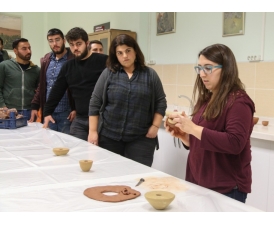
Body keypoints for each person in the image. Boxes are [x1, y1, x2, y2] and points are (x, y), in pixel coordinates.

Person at [165, 44, 255, 203]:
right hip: (199, 182)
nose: (201, 74)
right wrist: (186, 136)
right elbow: (205, 142)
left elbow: (234, 143)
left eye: (208, 68)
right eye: (199, 68)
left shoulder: (239, 101)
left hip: (226, 189)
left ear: (226, 69)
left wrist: (193, 128)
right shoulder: (207, 99)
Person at [88, 34, 167, 167]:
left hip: (141, 139)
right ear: (115, 56)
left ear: (135, 51)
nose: (125, 56)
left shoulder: (150, 75)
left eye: (128, 51)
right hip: (109, 138)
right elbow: (95, 102)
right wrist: (93, 132)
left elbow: (161, 101)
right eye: (120, 53)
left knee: (137, 179)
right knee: (109, 176)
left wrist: (155, 126)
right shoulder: (108, 74)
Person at [43, 27, 108, 141]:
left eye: (79, 44)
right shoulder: (68, 66)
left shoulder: (103, 61)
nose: (75, 48)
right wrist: (47, 112)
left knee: (100, 155)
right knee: (76, 151)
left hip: (102, 119)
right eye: (72, 45)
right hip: (80, 119)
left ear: (87, 43)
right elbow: (57, 90)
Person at [29, 28, 76, 134]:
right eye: (51, 41)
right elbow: (42, 85)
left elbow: (78, 87)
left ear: (64, 41)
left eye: (57, 39)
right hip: (49, 112)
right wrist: (35, 106)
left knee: (67, 145)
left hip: (67, 113)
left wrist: (75, 108)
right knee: (50, 144)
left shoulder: (73, 59)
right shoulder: (46, 60)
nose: (55, 43)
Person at [0, 38, 40, 115]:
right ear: (15, 51)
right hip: (9, 110)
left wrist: (35, 107)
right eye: (24, 49)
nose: (28, 51)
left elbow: (39, 91)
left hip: (29, 111)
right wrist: (3, 106)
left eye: (29, 48)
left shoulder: (36, 70)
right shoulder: (4, 66)